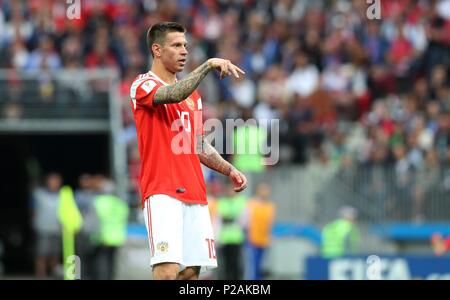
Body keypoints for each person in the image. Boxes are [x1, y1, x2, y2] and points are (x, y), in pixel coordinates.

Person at [129, 22, 248, 280]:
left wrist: (229, 169)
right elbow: (171, 94)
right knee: (167, 271)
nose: (184, 51)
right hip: (162, 192)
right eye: (176, 45)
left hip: (195, 193)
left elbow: (197, 144)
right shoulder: (142, 85)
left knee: (191, 275)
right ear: (157, 50)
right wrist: (206, 65)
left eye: (185, 45)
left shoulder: (193, 97)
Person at [246, 183, 276, 280]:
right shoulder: (252, 204)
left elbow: (270, 223)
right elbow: (246, 220)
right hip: (253, 239)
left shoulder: (270, 206)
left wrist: (270, 237)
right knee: (253, 264)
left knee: (261, 265)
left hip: (264, 239)